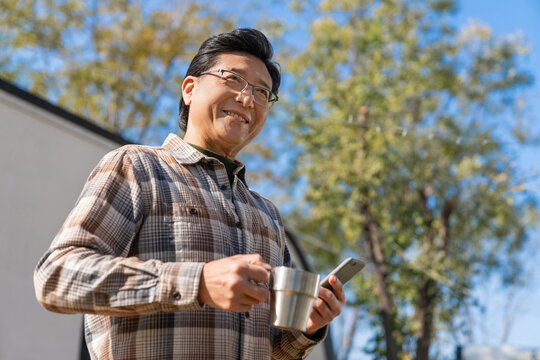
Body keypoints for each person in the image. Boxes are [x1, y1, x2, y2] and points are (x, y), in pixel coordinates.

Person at [34, 28, 345, 359]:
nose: (247, 99)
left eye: (261, 92)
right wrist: (196, 283)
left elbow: (272, 348)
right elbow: (57, 277)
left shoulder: (267, 215)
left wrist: (306, 329)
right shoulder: (137, 167)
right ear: (190, 89)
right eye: (233, 79)